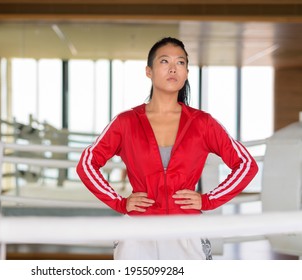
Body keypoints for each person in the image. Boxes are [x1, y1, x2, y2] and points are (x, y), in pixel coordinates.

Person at [76, 37, 258, 260]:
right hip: (137, 234)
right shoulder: (126, 122)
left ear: (187, 73)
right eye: (164, 61)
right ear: (149, 71)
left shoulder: (202, 123)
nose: (173, 68)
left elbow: (246, 165)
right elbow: (87, 164)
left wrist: (208, 199)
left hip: (187, 231)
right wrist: (119, 202)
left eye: (180, 63)